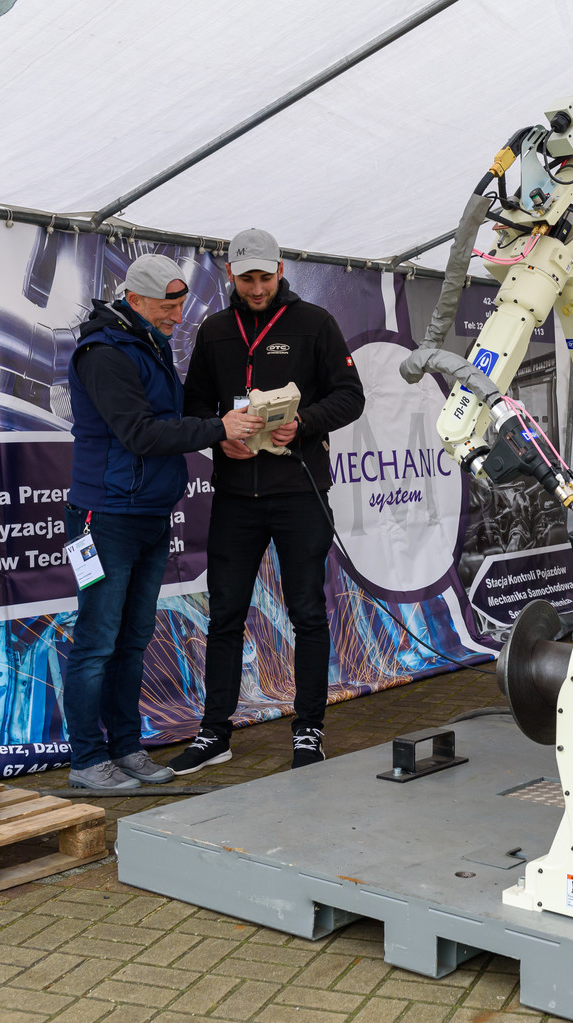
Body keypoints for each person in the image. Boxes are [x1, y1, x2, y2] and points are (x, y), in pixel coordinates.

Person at [171, 229, 365, 773]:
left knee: (307, 613)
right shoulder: (214, 331)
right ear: (229, 274)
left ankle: (309, 729)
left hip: (300, 493)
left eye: (264, 277)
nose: (256, 289)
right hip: (236, 497)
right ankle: (216, 733)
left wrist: (304, 422)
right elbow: (193, 405)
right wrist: (218, 435)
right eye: (246, 279)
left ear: (281, 270)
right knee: (225, 615)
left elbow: (351, 397)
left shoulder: (315, 323)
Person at [61, 254, 230, 790]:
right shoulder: (103, 353)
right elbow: (140, 433)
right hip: (104, 518)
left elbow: (169, 422)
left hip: (149, 514)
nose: (177, 316)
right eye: (167, 306)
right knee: (96, 642)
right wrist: (218, 429)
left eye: (181, 304)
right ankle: (87, 761)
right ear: (133, 300)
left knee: (133, 640)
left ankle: (126, 747)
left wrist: (223, 428)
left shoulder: (148, 343)